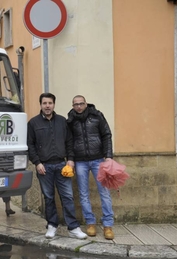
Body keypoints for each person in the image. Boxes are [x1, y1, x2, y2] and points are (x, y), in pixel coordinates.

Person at [27, 92, 87, 240]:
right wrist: (37, 163)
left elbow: (69, 142)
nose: (47, 106)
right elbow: (30, 145)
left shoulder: (62, 121)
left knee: (67, 197)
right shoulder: (33, 123)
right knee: (48, 198)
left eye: (50, 103)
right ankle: (52, 226)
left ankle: (73, 227)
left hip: (62, 165)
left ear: (54, 104)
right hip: (44, 168)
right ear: (40, 105)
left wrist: (70, 160)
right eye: (44, 103)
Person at [67, 95, 115, 240]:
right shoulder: (70, 121)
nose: (79, 107)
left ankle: (107, 225)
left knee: (104, 193)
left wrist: (108, 156)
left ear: (86, 104)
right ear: (73, 105)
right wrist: (71, 159)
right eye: (76, 104)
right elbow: (69, 142)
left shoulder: (97, 116)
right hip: (80, 161)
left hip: (98, 159)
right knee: (83, 194)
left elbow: (106, 135)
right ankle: (90, 223)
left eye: (81, 104)